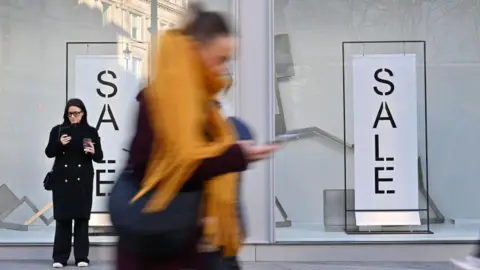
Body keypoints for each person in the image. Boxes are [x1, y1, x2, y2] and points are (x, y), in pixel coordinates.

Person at [115, 3, 279, 270]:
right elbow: (178, 165)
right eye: (220, 58)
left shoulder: (204, 103)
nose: (223, 69)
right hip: (157, 247)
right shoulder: (164, 98)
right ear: (196, 50)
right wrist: (237, 155)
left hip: (187, 241)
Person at [45, 98, 103, 268]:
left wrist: (93, 151)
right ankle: (60, 258)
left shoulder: (91, 131)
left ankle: (82, 257)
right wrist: (59, 144)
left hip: (82, 180)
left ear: (83, 113)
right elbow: (49, 152)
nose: (73, 117)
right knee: (62, 219)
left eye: (76, 113)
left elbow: (100, 157)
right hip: (62, 180)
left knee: (82, 219)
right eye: (70, 114)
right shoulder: (58, 130)